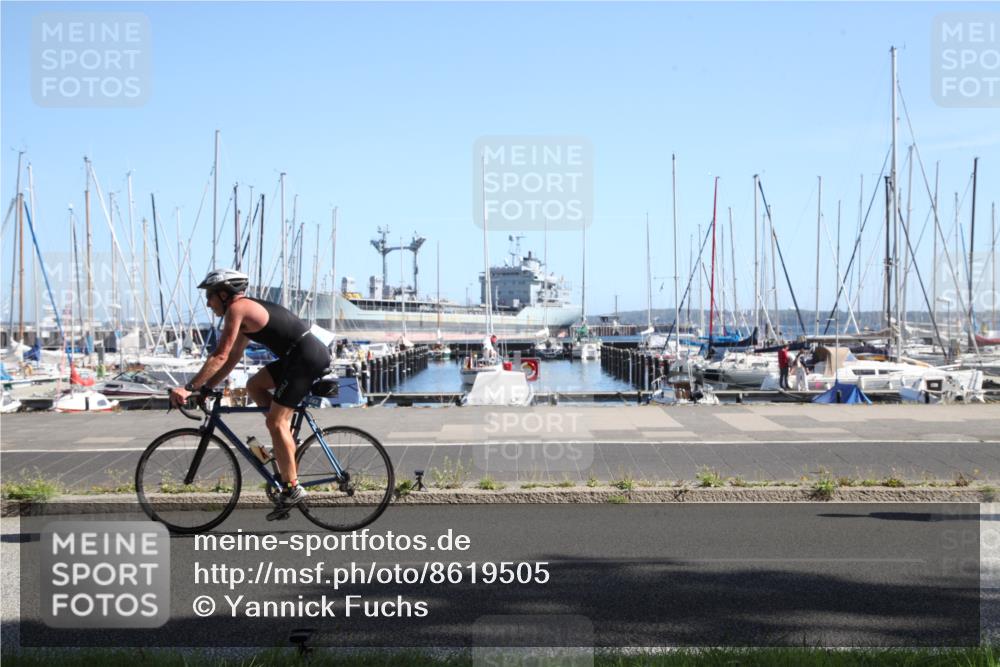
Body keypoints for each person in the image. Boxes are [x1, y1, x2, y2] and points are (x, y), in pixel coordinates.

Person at [169, 269, 331, 520]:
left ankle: (292, 487)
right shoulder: (243, 315)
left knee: (275, 421)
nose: (207, 303)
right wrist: (208, 386)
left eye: (209, 297)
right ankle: (284, 443)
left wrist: (189, 388)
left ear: (224, 295)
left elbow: (219, 355)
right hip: (297, 357)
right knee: (254, 385)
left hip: (305, 358)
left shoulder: (238, 309)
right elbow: (231, 360)